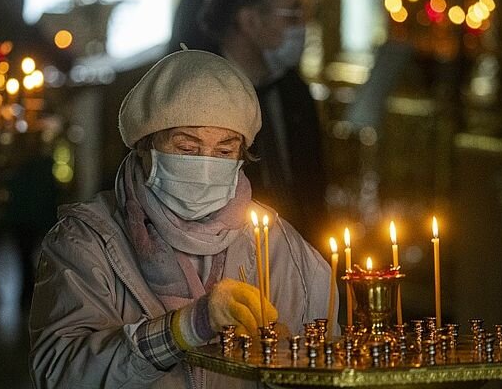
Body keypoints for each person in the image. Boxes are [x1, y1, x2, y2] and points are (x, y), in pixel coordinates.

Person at [29, 50, 338, 388]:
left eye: (224, 151)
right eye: (188, 148)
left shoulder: (280, 247)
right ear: (146, 145)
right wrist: (185, 328)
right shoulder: (86, 242)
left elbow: (329, 364)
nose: (206, 166)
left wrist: (283, 361)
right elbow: (58, 374)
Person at [187, 0, 327, 248]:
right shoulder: (199, 98)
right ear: (250, 21)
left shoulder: (293, 90)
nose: (302, 27)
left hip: (298, 256)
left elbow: (314, 189)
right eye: (292, 15)